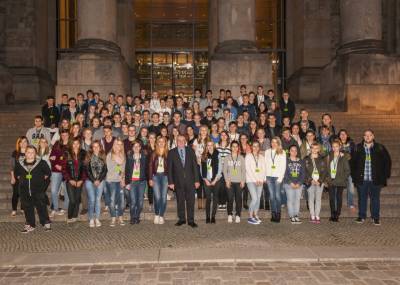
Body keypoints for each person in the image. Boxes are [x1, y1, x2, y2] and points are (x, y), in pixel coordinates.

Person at [352, 129, 391, 225]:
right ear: (363, 137)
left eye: (369, 135)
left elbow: (387, 162)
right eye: (365, 135)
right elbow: (352, 163)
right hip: (362, 179)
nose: (368, 137)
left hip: (376, 179)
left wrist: (385, 176)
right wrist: (354, 176)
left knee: (375, 198)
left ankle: (375, 217)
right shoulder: (358, 148)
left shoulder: (380, 148)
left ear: (373, 136)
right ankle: (361, 216)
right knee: (362, 198)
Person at [14, 146, 52, 233]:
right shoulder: (20, 163)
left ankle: (45, 223)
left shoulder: (41, 163)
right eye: (28, 152)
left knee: (41, 207)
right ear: (25, 153)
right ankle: (30, 224)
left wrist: (42, 187)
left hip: (38, 190)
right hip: (25, 191)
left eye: (32, 152)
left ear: (35, 154)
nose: (30, 154)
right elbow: (17, 174)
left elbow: (48, 174)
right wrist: (22, 183)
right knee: (27, 208)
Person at [167, 135, 200, 228]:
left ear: (185, 141)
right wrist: (170, 182)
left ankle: (191, 220)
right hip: (178, 181)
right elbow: (169, 169)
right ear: (176, 141)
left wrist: (197, 180)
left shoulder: (190, 150)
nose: (181, 142)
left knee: (191, 201)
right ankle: (181, 219)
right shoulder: (171, 152)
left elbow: (195, 166)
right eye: (179, 140)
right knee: (180, 201)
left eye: (182, 140)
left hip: (190, 180)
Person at [62, 138, 87, 223]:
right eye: (74, 143)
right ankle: (69, 216)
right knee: (72, 200)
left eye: (77, 143)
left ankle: (75, 215)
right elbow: (64, 169)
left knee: (77, 199)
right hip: (70, 180)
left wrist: (81, 180)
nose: (76, 145)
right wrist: (69, 180)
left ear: (80, 144)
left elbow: (85, 169)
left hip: (79, 180)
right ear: (71, 144)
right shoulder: (67, 153)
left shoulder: (83, 153)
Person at [326, 140, 351, 222]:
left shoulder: (343, 157)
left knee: (339, 197)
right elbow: (326, 168)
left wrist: (343, 178)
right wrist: (327, 178)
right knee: (332, 198)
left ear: (340, 147)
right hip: (331, 180)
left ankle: (337, 214)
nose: (335, 148)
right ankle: (332, 214)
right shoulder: (329, 155)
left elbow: (347, 170)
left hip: (340, 180)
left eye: (336, 146)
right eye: (333, 146)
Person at [85, 140, 107, 228]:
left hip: (101, 180)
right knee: (92, 199)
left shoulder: (103, 156)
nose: (96, 148)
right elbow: (87, 170)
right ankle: (91, 218)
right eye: (94, 146)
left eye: (97, 146)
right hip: (90, 180)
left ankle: (97, 218)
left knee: (98, 200)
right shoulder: (88, 156)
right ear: (91, 148)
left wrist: (99, 180)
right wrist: (94, 180)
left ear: (100, 147)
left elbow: (105, 170)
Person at [125, 140, 148, 224]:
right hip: (132, 182)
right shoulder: (129, 157)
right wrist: (127, 183)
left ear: (140, 147)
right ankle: (132, 217)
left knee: (140, 202)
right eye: (134, 146)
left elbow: (147, 169)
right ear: (132, 148)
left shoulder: (144, 157)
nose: (136, 148)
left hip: (142, 182)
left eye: (138, 146)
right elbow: (126, 170)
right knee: (133, 201)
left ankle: (137, 216)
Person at [304, 143, 328, 224]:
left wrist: (320, 181)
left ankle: (317, 215)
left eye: (316, 148)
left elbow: (325, 171)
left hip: (319, 182)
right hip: (310, 181)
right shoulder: (306, 159)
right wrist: (311, 180)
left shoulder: (322, 159)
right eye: (313, 148)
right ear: (310, 149)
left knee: (318, 199)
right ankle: (312, 215)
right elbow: (304, 171)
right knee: (311, 199)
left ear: (318, 149)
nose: (314, 150)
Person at [223, 141, 246, 223]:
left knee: (238, 199)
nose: (235, 148)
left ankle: (238, 215)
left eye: (236, 146)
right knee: (230, 199)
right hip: (230, 182)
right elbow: (224, 170)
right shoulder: (227, 158)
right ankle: (229, 214)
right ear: (231, 147)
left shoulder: (241, 158)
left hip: (239, 182)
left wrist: (243, 181)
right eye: (233, 146)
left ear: (238, 148)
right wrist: (226, 180)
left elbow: (244, 170)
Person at [265, 137, 287, 223]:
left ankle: (278, 213)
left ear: (278, 143)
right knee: (271, 196)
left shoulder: (282, 152)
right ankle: (273, 213)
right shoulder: (267, 152)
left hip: (278, 177)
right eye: (272, 142)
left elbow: (283, 166)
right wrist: (265, 177)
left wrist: (281, 178)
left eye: (275, 142)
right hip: (269, 177)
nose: (273, 144)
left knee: (277, 196)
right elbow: (266, 164)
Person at [49, 129, 70, 217]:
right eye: (62, 135)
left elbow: (72, 159)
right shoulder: (57, 144)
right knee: (54, 190)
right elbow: (52, 156)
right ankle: (55, 209)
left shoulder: (71, 145)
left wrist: (63, 167)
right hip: (56, 170)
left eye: (66, 135)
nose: (64, 136)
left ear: (69, 135)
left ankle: (65, 208)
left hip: (67, 171)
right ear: (60, 135)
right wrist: (54, 162)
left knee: (66, 191)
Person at [148, 137, 169, 225]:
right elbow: (150, 167)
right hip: (155, 176)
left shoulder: (168, 153)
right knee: (157, 197)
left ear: (165, 143)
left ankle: (161, 215)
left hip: (165, 177)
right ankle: (156, 214)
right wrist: (150, 179)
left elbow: (171, 167)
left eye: (163, 142)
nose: (161, 143)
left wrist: (171, 180)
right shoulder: (153, 153)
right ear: (157, 143)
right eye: (159, 142)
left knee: (163, 198)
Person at [106, 138, 126, 226]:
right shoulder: (110, 155)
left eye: (121, 144)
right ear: (114, 144)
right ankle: (113, 217)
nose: (119, 146)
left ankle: (120, 217)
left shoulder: (123, 156)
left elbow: (123, 169)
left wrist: (122, 178)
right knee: (112, 200)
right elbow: (111, 169)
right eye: (117, 144)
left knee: (121, 201)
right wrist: (120, 174)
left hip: (120, 180)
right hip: (112, 180)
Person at [200, 141, 222, 224]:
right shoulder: (204, 155)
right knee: (208, 198)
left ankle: (213, 216)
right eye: (208, 145)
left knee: (215, 198)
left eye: (211, 145)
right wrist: (205, 180)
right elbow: (201, 170)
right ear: (206, 146)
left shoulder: (218, 154)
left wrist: (215, 180)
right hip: (207, 180)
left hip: (216, 179)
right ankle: (207, 217)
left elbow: (220, 168)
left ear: (214, 146)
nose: (209, 147)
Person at [245, 141, 266, 225]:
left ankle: (256, 214)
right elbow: (248, 169)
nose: (256, 148)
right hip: (251, 180)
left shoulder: (261, 157)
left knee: (258, 198)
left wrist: (262, 179)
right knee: (254, 198)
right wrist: (255, 179)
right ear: (251, 147)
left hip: (260, 181)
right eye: (254, 146)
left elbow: (264, 169)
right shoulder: (248, 156)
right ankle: (250, 217)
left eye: (257, 146)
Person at [283, 145, 306, 224]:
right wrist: (291, 183)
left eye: (295, 150)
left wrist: (299, 183)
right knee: (290, 200)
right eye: (292, 150)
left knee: (297, 200)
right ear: (289, 151)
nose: (294, 152)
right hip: (289, 184)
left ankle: (296, 215)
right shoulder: (286, 161)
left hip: (299, 184)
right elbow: (284, 173)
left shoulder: (301, 161)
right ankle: (292, 216)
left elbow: (303, 174)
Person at [338, 129, 356, 210]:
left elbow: (354, 155)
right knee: (338, 187)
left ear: (347, 135)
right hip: (339, 169)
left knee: (351, 186)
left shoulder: (352, 144)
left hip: (350, 168)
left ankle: (350, 203)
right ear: (339, 136)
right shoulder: (336, 144)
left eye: (344, 134)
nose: (343, 135)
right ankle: (338, 203)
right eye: (341, 134)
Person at [10, 136, 28, 217]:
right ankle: (14, 209)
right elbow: (12, 166)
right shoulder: (15, 153)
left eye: (25, 141)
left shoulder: (30, 151)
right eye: (21, 142)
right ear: (19, 143)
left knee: (25, 193)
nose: (23, 143)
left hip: (27, 177)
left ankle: (23, 208)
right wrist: (12, 177)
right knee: (16, 193)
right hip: (17, 176)